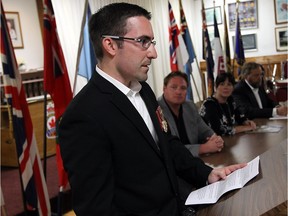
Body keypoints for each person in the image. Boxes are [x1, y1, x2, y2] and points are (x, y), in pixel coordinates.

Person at [58, 3, 246, 216]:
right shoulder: (83, 115)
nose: (154, 53)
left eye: (152, 42)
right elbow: (96, 208)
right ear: (110, 45)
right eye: (143, 42)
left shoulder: (144, 90)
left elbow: (168, 145)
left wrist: (207, 174)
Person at [158, 71, 224, 156]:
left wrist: (216, 139)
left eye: (183, 88)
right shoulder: (156, 110)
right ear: (164, 88)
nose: (178, 92)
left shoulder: (189, 106)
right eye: (174, 87)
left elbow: (205, 131)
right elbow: (168, 147)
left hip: (194, 161)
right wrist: (203, 148)